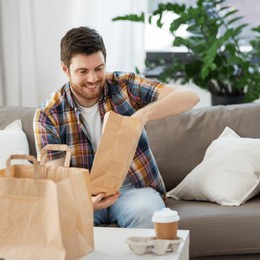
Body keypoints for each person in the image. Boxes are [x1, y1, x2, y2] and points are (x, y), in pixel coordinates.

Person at [33, 26, 199, 228]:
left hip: (132, 190)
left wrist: (141, 116)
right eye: (83, 71)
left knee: (148, 213)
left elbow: (190, 96)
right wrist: (83, 202)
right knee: (59, 220)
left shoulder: (124, 86)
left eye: (99, 69)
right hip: (82, 193)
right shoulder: (48, 114)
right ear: (65, 69)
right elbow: (56, 180)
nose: (93, 79)